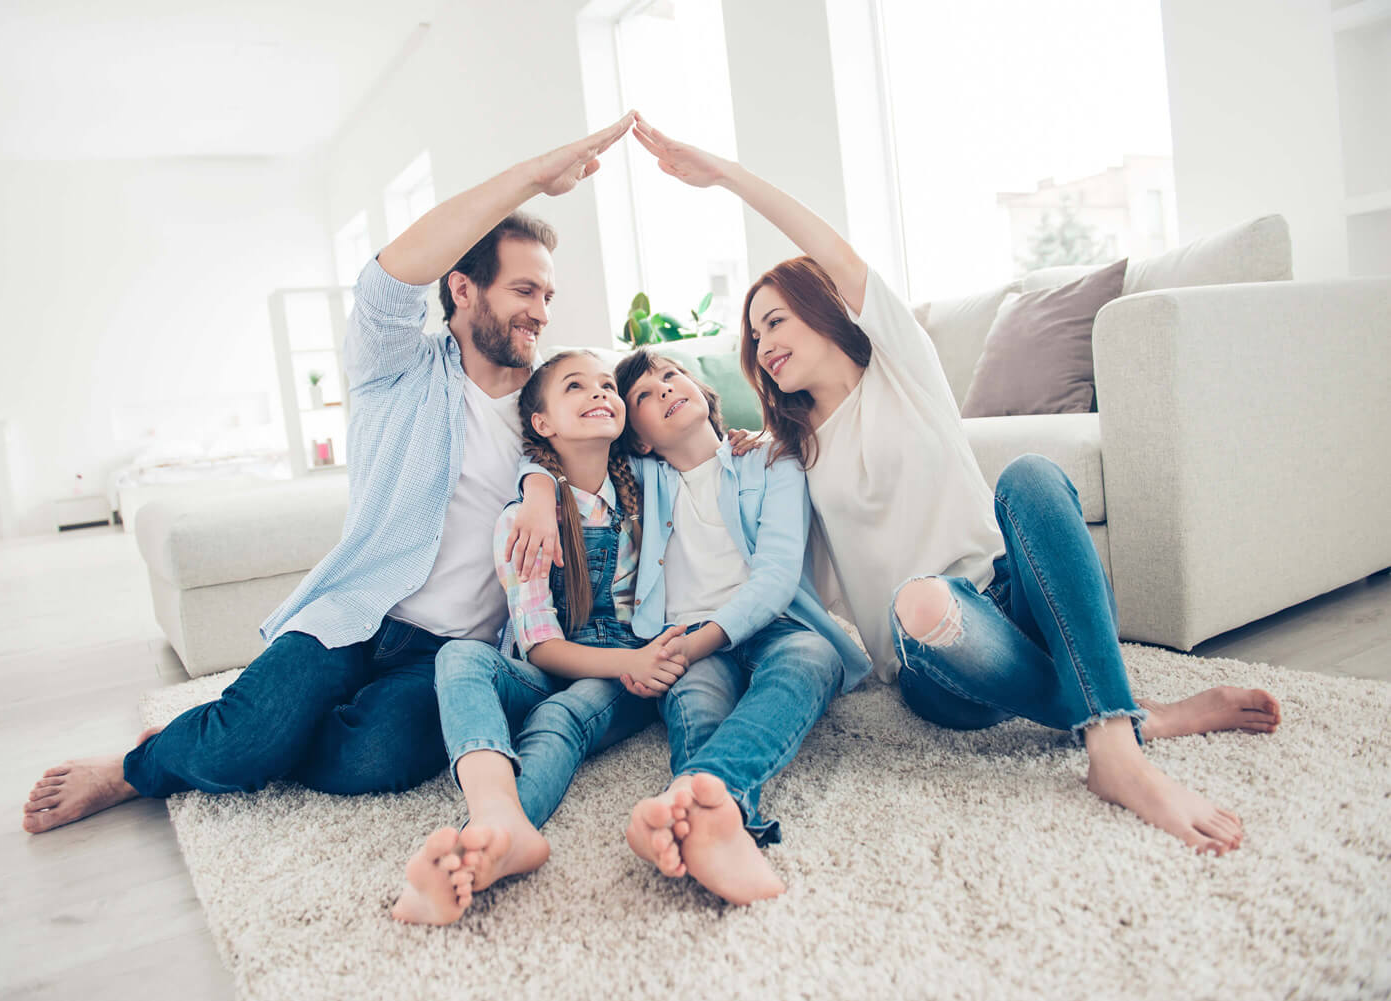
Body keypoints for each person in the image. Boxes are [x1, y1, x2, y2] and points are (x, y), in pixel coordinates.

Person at [629, 113, 1282, 856]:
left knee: (1033, 476)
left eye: (775, 321)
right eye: (754, 338)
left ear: (823, 311)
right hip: (934, 662)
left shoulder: (902, 368)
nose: (764, 346)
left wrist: (724, 175)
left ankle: (1115, 748)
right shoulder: (788, 454)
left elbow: (833, 251)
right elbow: (737, 534)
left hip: (1015, 600)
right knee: (923, 599)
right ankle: (1138, 714)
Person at [21, 112, 639, 834]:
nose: (540, 312)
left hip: (454, 649)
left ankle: (226, 734)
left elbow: (639, 438)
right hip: (357, 611)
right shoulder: (395, 367)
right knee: (255, 735)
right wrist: (532, 178)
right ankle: (142, 766)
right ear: (463, 289)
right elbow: (383, 282)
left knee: (374, 757)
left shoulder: (554, 403)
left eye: (547, 297)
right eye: (524, 291)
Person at [513, 348, 870, 905]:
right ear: (641, 439)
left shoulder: (772, 459)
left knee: (812, 658)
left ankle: (698, 797)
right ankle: (711, 824)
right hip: (682, 635)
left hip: (767, 624)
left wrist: (692, 645)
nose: (666, 390)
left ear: (703, 392)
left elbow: (776, 577)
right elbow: (558, 454)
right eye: (645, 397)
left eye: (672, 377)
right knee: (697, 707)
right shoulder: (638, 478)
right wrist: (536, 488)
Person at [391, 349, 688, 925]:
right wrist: (538, 489)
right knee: (459, 658)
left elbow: (701, 453)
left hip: (625, 670)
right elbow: (542, 648)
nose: (601, 393)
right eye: (576, 386)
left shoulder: (650, 488)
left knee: (560, 720)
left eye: (607, 385)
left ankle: (482, 846)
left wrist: (744, 440)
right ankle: (493, 809)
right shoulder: (523, 520)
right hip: (554, 663)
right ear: (543, 424)